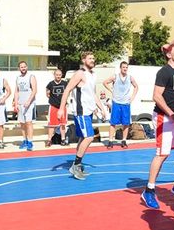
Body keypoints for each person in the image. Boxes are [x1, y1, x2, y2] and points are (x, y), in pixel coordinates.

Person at [141, 44, 174, 210]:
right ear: (168, 55)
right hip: (164, 117)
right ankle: (149, 190)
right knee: (162, 154)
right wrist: (171, 114)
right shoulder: (164, 72)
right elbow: (156, 96)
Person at [60, 51, 103, 180]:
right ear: (83, 60)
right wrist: (61, 108)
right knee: (89, 137)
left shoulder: (93, 75)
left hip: (89, 111)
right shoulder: (79, 73)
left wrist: (100, 108)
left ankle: (76, 164)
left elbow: (92, 94)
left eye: (94, 58)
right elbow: (67, 89)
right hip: (81, 111)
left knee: (82, 138)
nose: (93, 60)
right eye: (90, 58)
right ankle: (76, 165)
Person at [103, 61, 139, 148]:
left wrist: (132, 97)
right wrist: (111, 91)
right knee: (113, 122)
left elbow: (136, 86)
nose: (125, 69)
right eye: (123, 67)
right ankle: (110, 141)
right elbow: (105, 82)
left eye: (126, 67)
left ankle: (124, 141)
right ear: (120, 68)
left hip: (126, 103)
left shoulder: (130, 78)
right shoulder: (115, 76)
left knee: (126, 123)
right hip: (116, 102)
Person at [13, 61, 38, 151]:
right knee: (22, 123)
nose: (23, 68)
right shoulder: (18, 78)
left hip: (29, 104)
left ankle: (30, 142)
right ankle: (25, 140)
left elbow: (34, 90)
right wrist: (16, 103)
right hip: (20, 104)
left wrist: (29, 101)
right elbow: (16, 91)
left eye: (24, 67)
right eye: (21, 67)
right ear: (19, 68)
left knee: (28, 122)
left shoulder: (31, 77)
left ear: (27, 67)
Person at [45, 68, 69, 147]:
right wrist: (53, 99)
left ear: (61, 75)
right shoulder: (50, 84)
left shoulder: (65, 83)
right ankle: (49, 140)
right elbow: (47, 93)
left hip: (62, 107)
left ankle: (63, 139)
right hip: (53, 106)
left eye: (59, 75)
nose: (58, 76)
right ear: (54, 75)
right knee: (52, 124)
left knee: (62, 124)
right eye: (57, 75)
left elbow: (68, 92)